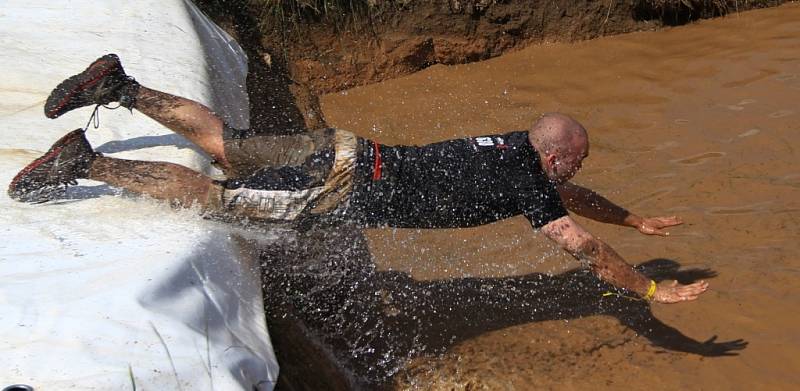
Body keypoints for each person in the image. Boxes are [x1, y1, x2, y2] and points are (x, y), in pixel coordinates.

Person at [9, 54, 708, 304]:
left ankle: (121, 85)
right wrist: (650, 286)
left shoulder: (512, 154)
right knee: (211, 195)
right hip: (338, 186)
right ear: (554, 158)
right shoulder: (530, 183)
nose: (575, 174)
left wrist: (637, 221)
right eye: (575, 163)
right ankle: (87, 162)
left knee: (227, 143)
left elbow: (570, 198)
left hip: (345, 147)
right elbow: (579, 245)